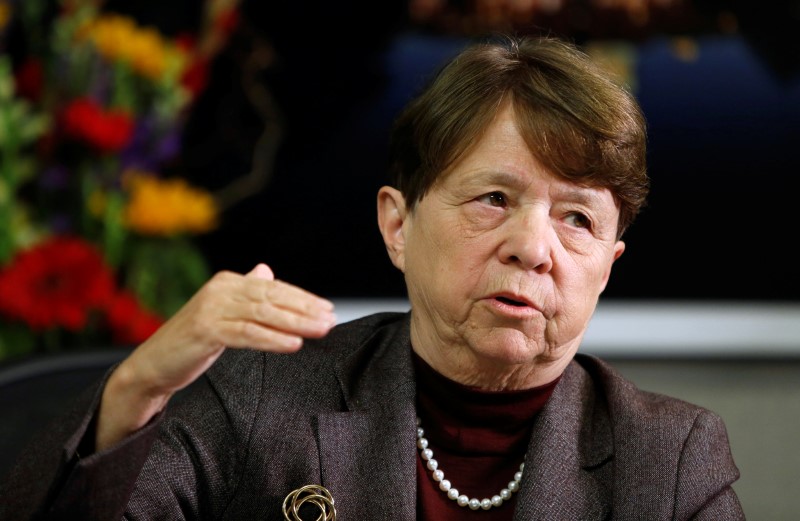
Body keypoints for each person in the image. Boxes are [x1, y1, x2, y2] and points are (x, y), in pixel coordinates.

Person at [0, 33, 744, 520]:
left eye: (577, 218)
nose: (534, 246)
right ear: (397, 223)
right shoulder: (257, 401)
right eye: (494, 198)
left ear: (607, 266)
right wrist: (136, 391)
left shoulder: (670, 459)